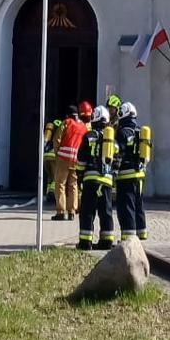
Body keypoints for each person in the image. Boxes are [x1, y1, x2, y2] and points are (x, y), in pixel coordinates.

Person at [76, 106, 118, 250]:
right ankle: (107, 241)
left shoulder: (89, 136)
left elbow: (81, 159)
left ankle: (85, 242)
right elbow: (116, 159)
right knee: (106, 211)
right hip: (106, 180)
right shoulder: (111, 140)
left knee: (88, 211)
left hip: (91, 179)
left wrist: (79, 175)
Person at [113, 101, 151, 241]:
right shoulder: (140, 132)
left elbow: (118, 153)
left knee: (126, 206)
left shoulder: (122, 132)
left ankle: (128, 237)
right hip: (140, 174)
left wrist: (113, 171)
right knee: (138, 204)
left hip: (126, 175)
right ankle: (142, 232)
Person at [52, 102, 91, 221]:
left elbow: (57, 139)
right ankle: (72, 211)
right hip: (76, 160)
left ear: (68, 115)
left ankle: (61, 211)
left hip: (63, 158)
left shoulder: (66, 123)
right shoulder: (83, 127)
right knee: (73, 185)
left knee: (60, 184)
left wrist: (57, 153)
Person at [42, 116, 66, 205]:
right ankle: (52, 194)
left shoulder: (50, 130)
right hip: (54, 156)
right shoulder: (61, 130)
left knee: (50, 176)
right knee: (56, 176)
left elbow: (45, 142)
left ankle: (48, 192)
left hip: (46, 156)